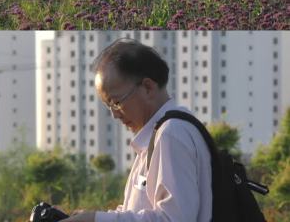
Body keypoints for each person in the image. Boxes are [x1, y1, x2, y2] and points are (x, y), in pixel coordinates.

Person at [65, 39, 212, 222]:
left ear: (148, 87)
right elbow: (139, 211)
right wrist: (86, 217)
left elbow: (174, 218)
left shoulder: (171, 134)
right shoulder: (156, 135)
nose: (115, 115)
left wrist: (95, 220)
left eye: (117, 102)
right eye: (108, 106)